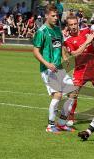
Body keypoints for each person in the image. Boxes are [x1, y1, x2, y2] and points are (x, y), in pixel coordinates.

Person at [33, 4, 76, 134]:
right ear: (46, 16)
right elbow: (35, 51)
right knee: (58, 94)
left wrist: (65, 58)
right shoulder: (41, 31)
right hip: (48, 69)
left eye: (56, 15)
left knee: (73, 92)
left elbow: (61, 46)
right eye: (53, 16)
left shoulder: (57, 30)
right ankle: (50, 126)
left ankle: (62, 123)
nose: (55, 18)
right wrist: (47, 64)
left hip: (59, 68)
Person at [64, 16, 94, 126]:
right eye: (71, 25)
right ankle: (70, 117)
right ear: (68, 26)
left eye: (75, 23)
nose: (74, 26)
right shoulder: (68, 40)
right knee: (73, 93)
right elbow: (75, 53)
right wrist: (87, 41)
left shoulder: (87, 31)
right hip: (80, 70)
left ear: (78, 22)